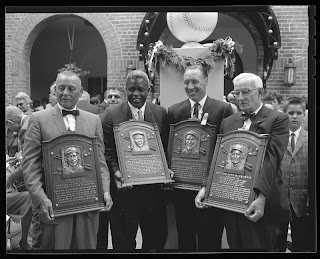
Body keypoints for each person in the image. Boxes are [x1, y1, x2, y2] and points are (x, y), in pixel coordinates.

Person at [195, 72, 291, 251]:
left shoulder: (277, 119)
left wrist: (261, 197)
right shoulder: (228, 122)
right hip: (232, 202)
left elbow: (272, 160)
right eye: (236, 93)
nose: (240, 98)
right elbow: (218, 157)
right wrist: (205, 187)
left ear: (260, 92)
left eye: (246, 92)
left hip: (262, 203)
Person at [22, 71, 113, 249]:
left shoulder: (94, 120)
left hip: (87, 205)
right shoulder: (38, 119)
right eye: (60, 88)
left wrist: (105, 191)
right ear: (55, 90)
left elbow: (99, 161)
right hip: (53, 205)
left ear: (80, 92)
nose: (65, 93)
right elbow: (30, 165)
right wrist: (40, 199)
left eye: (71, 89)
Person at [101, 70, 170, 251]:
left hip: (153, 192)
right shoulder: (110, 115)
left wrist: (166, 169)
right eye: (131, 89)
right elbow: (107, 150)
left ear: (149, 89)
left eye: (141, 89)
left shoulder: (161, 113)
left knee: (155, 240)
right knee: (123, 241)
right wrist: (116, 171)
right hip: (125, 192)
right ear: (125, 90)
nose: (136, 94)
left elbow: (164, 147)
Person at [167, 64, 234, 251]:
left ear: (206, 80)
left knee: (210, 239)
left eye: (195, 81)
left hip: (211, 188)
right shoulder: (174, 111)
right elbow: (169, 147)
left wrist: (209, 183)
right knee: (185, 238)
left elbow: (225, 150)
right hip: (182, 188)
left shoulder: (224, 110)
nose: (190, 87)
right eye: (186, 82)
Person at [275, 97, 311, 252]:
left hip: (302, 200)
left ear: (304, 115)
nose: (295, 116)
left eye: (299, 113)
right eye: (290, 113)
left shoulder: (311, 139)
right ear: (284, 115)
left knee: (301, 242)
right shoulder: (277, 138)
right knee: (277, 241)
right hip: (279, 199)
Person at [96, 85, 127, 250]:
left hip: (119, 181)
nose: (113, 99)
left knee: (119, 226)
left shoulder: (128, 122)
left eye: (117, 96)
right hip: (100, 181)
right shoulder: (97, 120)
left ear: (124, 99)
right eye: (110, 97)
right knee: (100, 227)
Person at [6, 105, 33, 250]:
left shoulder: (24, 129)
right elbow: (28, 154)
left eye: (8, 126)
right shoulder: (30, 120)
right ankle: (24, 240)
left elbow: (30, 160)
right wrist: (18, 158)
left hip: (33, 178)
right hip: (30, 175)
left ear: (10, 123)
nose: (9, 130)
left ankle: (28, 242)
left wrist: (14, 176)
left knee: (28, 204)